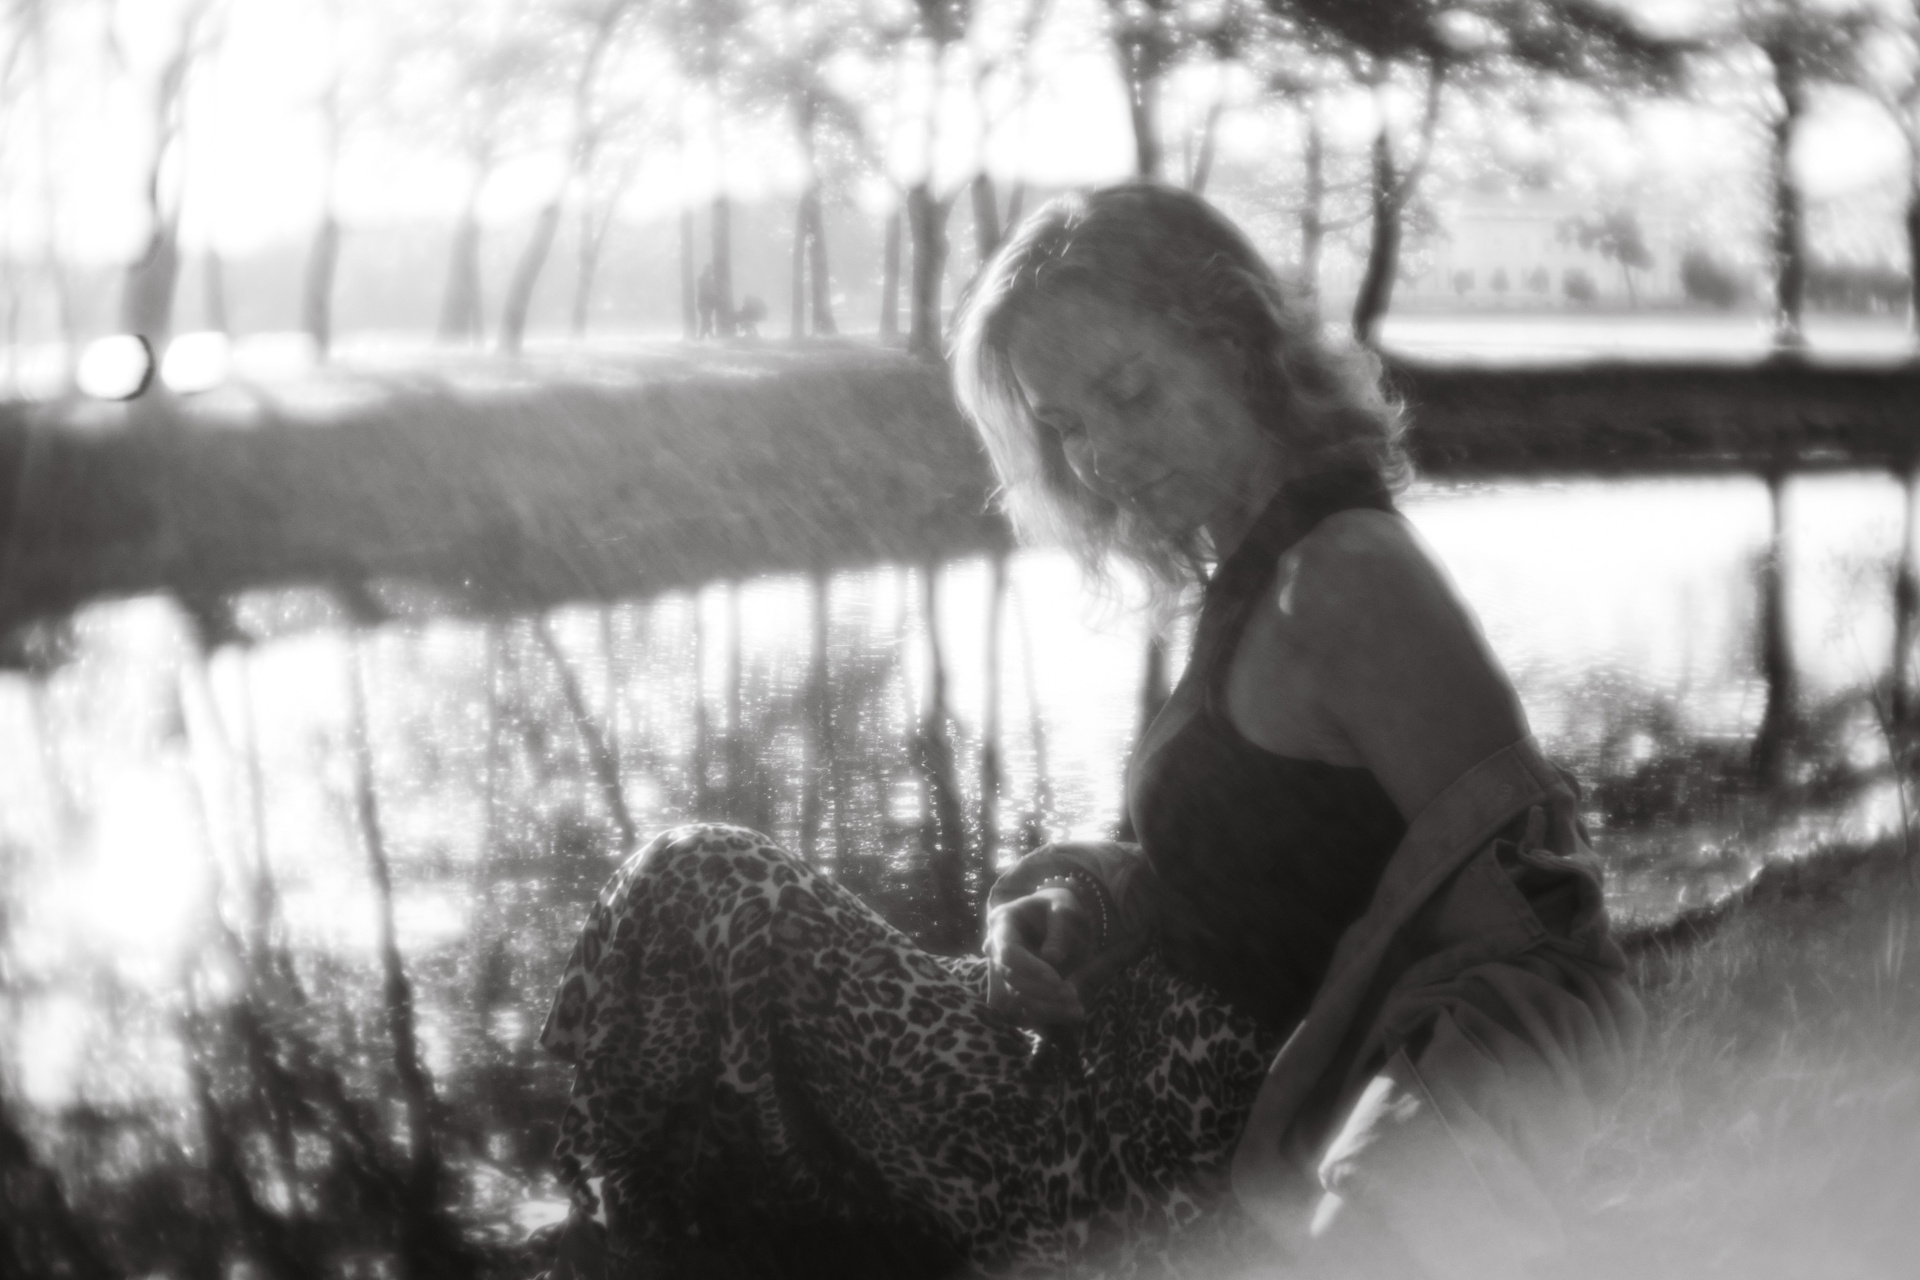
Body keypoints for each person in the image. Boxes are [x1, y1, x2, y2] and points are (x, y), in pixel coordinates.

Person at [536, 184, 1641, 1280]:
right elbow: (1290, 875)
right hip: (1087, 1083)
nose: (1100, 459)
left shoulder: (1347, 576)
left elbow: (1546, 929)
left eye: (1129, 391)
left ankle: (617, 1248)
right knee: (696, 893)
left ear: (1237, 343)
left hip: (1141, 1163)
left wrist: (1383, 1206)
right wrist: (1078, 908)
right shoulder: (1257, 567)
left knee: (703, 884)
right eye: (1065, 427)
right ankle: (636, 1241)